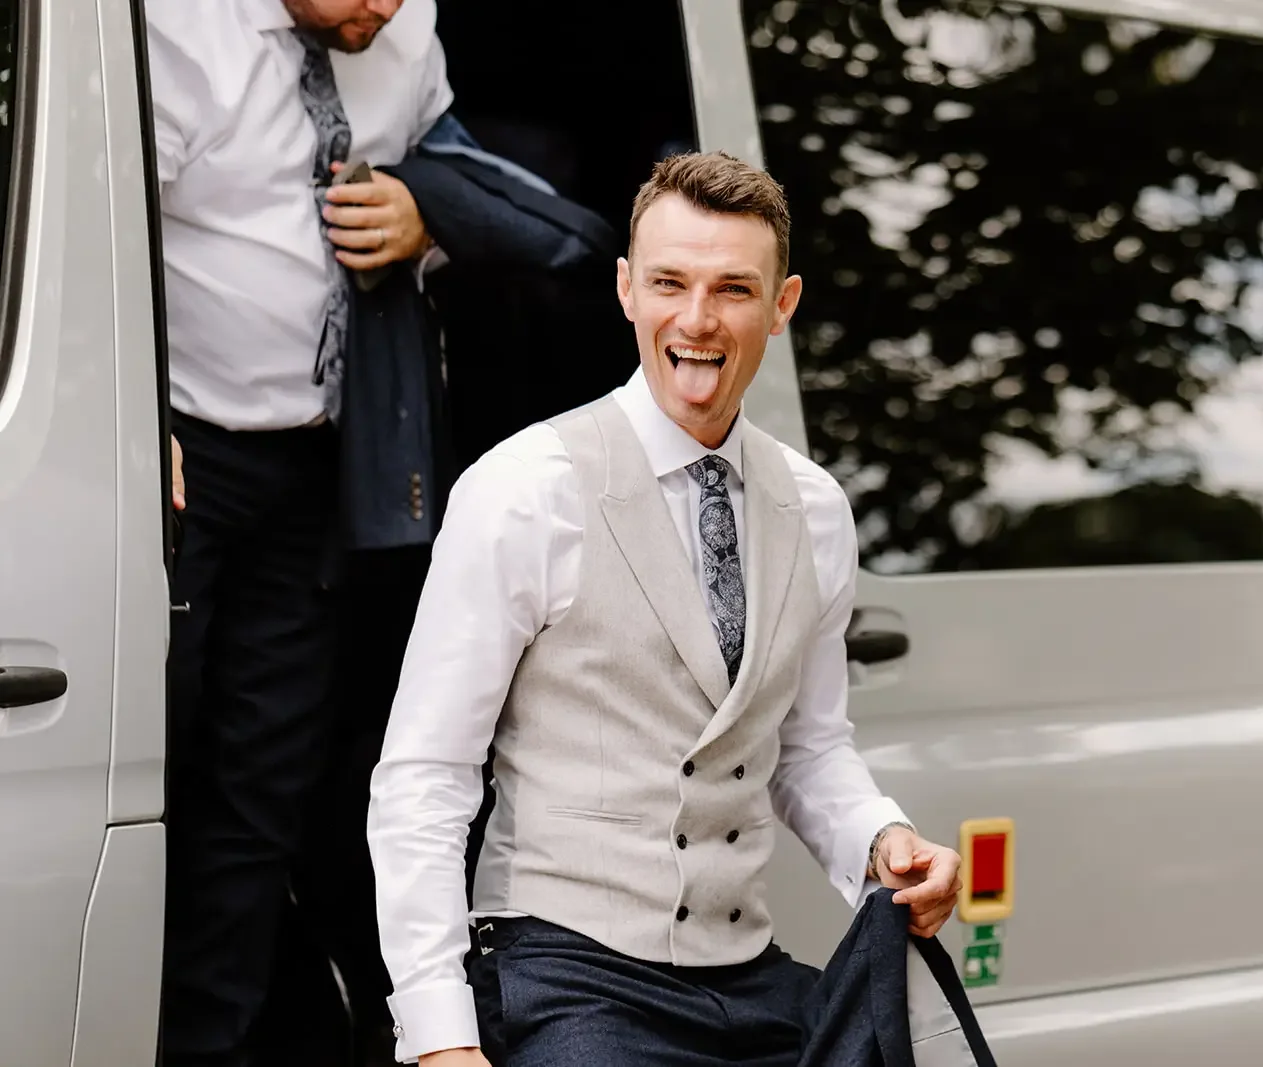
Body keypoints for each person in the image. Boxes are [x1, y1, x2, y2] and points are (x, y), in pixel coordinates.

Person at [367, 150, 964, 1066]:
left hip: (750, 979)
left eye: (732, 289)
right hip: (569, 975)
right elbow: (426, 776)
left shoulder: (813, 509)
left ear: (782, 305)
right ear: (626, 291)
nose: (696, 319)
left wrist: (884, 840)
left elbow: (808, 749)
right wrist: (439, 1038)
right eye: (669, 284)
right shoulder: (526, 489)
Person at [146, 0, 453, 1062]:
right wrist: (129, 410)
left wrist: (428, 211)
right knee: (149, 768)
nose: (384, 5)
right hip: (172, 452)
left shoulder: (404, 29)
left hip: (319, 464)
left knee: (260, 784)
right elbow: (90, 225)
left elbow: (456, 162)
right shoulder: (176, 34)